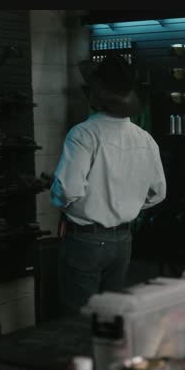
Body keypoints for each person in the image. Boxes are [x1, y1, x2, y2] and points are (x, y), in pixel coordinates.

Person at [51, 54, 166, 316]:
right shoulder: (144, 139)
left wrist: (64, 202)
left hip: (86, 240)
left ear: (96, 94)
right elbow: (158, 193)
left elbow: (67, 190)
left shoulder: (83, 134)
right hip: (123, 241)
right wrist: (125, 204)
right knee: (109, 318)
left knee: (79, 320)